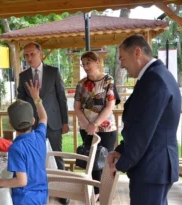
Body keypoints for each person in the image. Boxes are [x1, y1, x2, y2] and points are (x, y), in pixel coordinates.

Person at [108, 34, 181, 205]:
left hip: (152, 167)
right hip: (155, 165)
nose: (122, 64)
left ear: (137, 52)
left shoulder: (154, 79)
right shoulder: (157, 75)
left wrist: (120, 164)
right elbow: (143, 123)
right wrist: (121, 150)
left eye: (122, 58)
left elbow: (143, 132)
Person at [0, 80, 48, 205]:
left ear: (11, 124)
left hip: (25, 200)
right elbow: (44, 117)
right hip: (42, 195)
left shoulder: (16, 148)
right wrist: (36, 98)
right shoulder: (40, 135)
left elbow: (21, 181)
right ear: (33, 121)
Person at [17, 42, 69, 170]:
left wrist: (65, 122)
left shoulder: (53, 72)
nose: (29, 58)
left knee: (57, 156)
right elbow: (21, 101)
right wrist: (21, 123)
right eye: (26, 55)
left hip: (54, 122)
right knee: (35, 157)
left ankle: (60, 184)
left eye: (32, 54)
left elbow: (62, 98)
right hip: (32, 123)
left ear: (40, 53)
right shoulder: (23, 76)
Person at [74, 51, 118, 200]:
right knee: (91, 160)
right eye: (83, 64)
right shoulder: (81, 84)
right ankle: (95, 194)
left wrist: (95, 124)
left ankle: (106, 194)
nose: (85, 66)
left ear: (97, 62)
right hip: (86, 128)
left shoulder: (108, 80)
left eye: (88, 63)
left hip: (106, 128)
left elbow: (110, 105)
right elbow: (77, 107)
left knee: (105, 161)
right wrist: (88, 126)